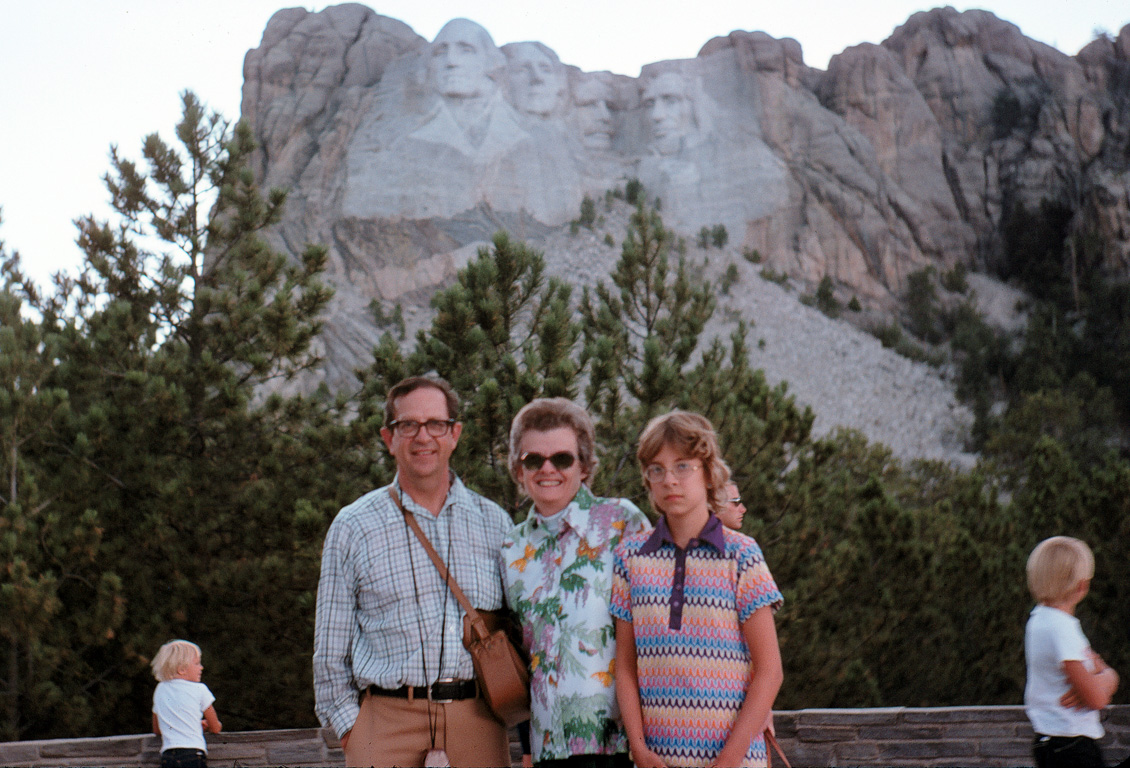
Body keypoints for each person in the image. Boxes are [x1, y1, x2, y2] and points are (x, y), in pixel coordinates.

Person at [313, 375, 515, 768]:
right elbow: (330, 647)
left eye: (435, 424)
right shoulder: (353, 526)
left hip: (477, 721)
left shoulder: (496, 524)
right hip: (385, 724)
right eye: (408, 425)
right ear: (389, 438)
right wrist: (352, 731)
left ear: (454, 434)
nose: (423, 437)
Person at [611, 410, 784, 768]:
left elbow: (770, 670)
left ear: (708, 473)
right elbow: (626, 668)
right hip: (657, 761)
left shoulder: (742, 556)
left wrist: (728, 761)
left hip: (734, 761)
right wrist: (639, 749)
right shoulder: (629, 557)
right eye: (657, 469)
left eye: (683, 466)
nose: (669, 479)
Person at [500, 398, 652, 768]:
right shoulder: (511, 549)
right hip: (547, 748)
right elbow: (523, 657)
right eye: (533, 459)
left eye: (562, 459)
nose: (547, 469)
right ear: (519, 471)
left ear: (583, 466)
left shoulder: (621, 523)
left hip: (620, 748)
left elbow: (662, 626)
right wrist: (527, 747)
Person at [1025, 536, 1120, 768]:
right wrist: (1106, 677)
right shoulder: (1063, 628)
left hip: (1046, 741)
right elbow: (1096, 698)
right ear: (1082, 586)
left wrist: (1099, 680)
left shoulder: (1038, 620)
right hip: (1071, 745)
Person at [150, 640, 222, 768]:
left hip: (168, 756)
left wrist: (189, 723)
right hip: (193, 754)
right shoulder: (200, 689)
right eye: (197, 663)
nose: (201, 667)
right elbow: (215, 728)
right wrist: (207, 725)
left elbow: (157, 729)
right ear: (182, 669)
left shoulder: (160, 689)